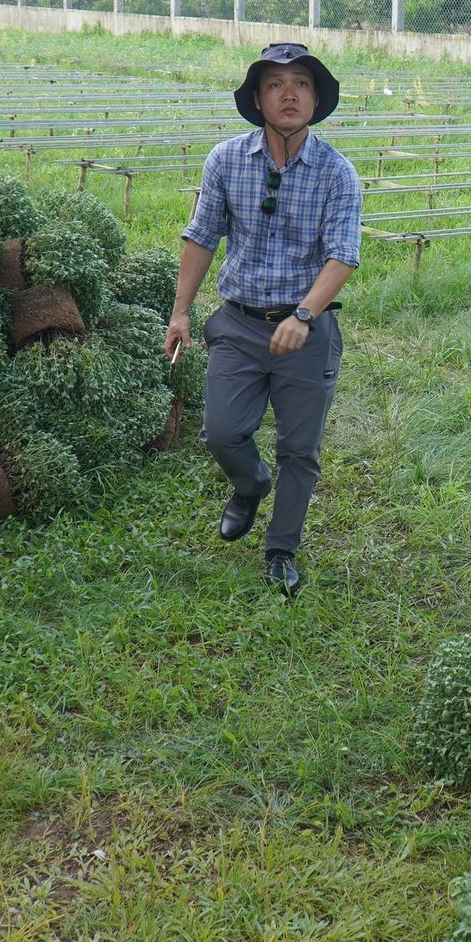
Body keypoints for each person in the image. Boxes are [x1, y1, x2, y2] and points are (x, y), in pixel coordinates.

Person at [165, 43, 363, 599]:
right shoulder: (226, 160)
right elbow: (202, 237)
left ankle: (282, 549)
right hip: (239, 323)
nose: (289, 93)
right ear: (257, 99)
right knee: (224, 432)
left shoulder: (336, 173)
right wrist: (181, 312)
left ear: (317, 98)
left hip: (307, 330)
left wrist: (305, 313)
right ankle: (249, 484)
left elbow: (343, 252)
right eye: (275, 84)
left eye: (301, 82)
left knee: (300, 450)